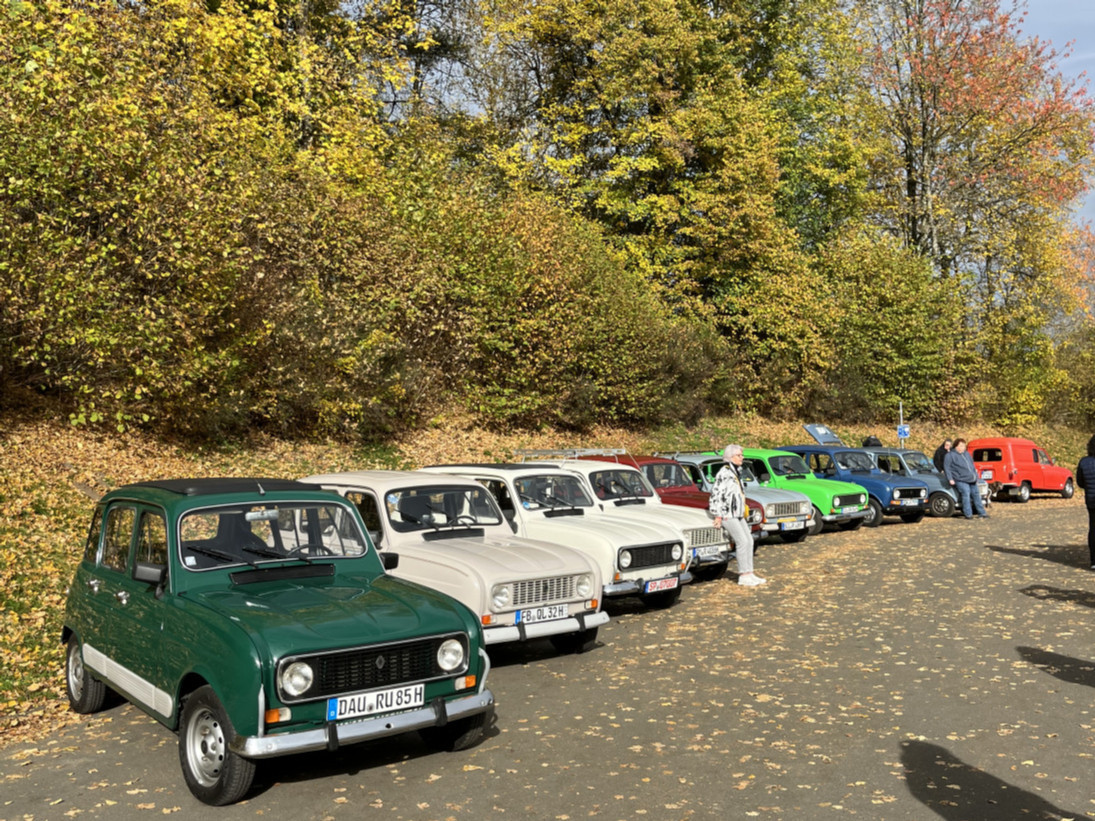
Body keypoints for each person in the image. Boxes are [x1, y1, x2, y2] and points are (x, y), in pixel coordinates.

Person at [709, 444, 765, 586]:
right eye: (739, 455)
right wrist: (717, 515)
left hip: (738, 513)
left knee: (749, 540)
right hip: (727, 513)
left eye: (742, 455)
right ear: (730, 457)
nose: (742, 457)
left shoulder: (736, 472)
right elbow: (716, 494)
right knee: (742, 541)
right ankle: (743, 575)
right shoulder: (724, 473)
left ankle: (750, 572)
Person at [943, 438, 988, 519]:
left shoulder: (967, 454)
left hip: (972, 479)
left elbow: (972, 465)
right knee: (966, 494)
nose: (963, 447)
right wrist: (950, 479)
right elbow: (947, 468)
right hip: (960, 480)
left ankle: (982, 513)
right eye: (961, 446)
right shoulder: (949, 455)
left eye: (964, 446)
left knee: (976, 495)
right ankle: (968, 514)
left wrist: (976, 476)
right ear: (956, 446)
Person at [1075, 434, 1095, 569]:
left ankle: (1094, 561)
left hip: (1091, 501)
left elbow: (1080, 482)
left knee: (1093, 529)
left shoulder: (1084, 462)